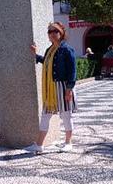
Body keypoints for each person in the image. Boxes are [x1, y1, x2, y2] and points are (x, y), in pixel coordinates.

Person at [25, 21, 77, 154]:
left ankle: (68, 142)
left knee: (66, 115)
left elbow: (72, 71)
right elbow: (48, 62)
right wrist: (36, 55)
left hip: (63, 86)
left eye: (55, 31)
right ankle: (39, 144)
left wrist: (69, 89)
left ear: (61, 33)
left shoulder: (66, 49)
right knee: (45, 115)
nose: (52, 34)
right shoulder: (50, 50)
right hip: (50, 88)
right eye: (50, 32)